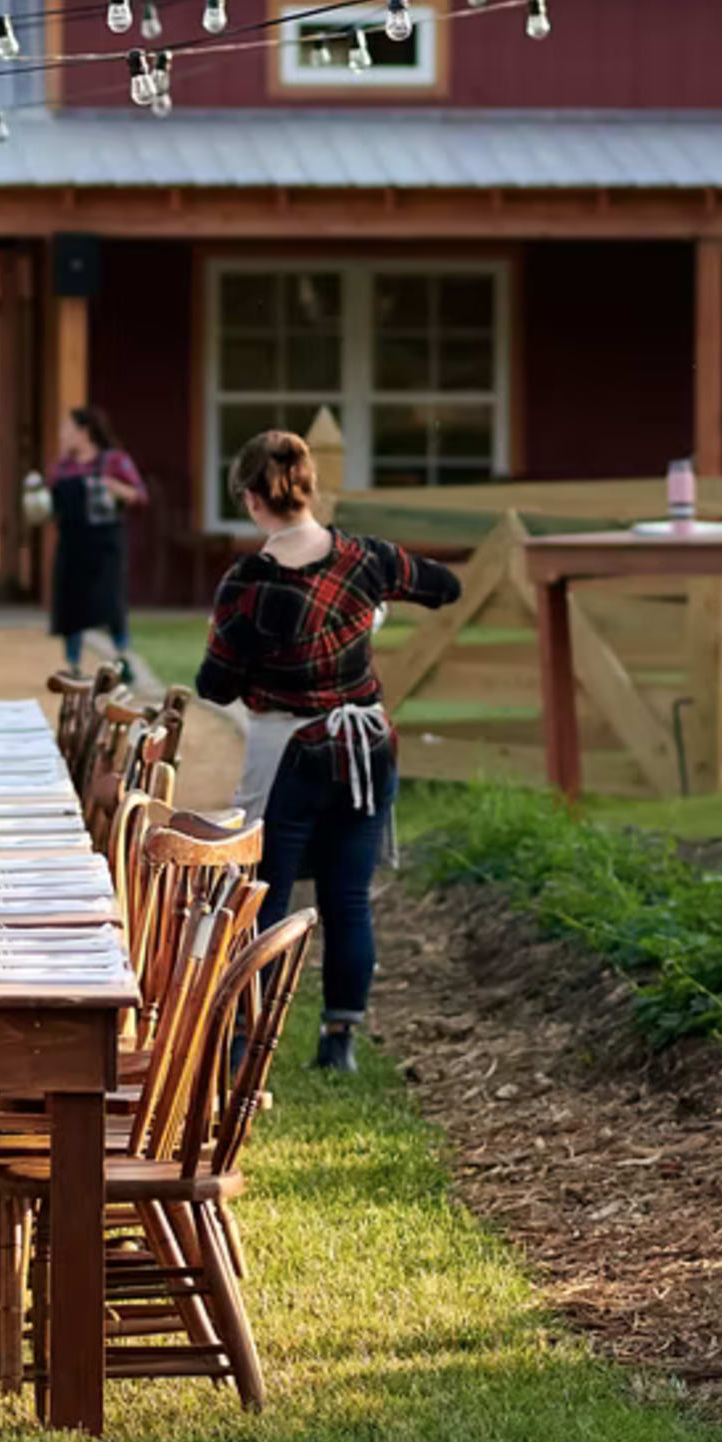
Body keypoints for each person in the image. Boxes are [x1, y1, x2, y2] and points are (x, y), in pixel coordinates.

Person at [191, 429, 463, 1075]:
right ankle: (338, 1043)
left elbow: (214, 684)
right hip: (366, 747)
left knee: (265, 898)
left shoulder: (248, 582)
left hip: (288, 749)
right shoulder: (365, 558)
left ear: (254, 498)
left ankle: (238, 1051)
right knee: (347, 899)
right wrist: (368, 615)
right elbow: (445, 586)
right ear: (308, 489)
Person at [45, 405, 148, 678]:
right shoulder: (62, 468)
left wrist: (116, 488)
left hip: (105, 546)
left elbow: (139, 495)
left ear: (84, 431)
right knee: (70, 606)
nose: (62, 435)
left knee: (110, 604)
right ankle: (72, 665)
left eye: (67, 429)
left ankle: (122, 660)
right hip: (71, 543)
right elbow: (49, 507)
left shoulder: (114, 461)